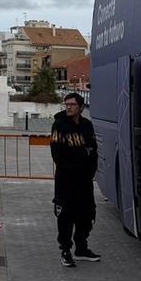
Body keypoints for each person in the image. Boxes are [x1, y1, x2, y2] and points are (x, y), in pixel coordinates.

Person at [51, 92, 101, 267]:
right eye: (66, 104)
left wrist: (90, 171)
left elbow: (93, 150)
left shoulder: (87, 125)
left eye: (72, 104)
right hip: (66, 181)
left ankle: (81, 247)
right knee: (66, 215)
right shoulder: (59, 125)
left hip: (85, 180)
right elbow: (57, 153)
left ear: (80, 107)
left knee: (86, 213)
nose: (68, 107)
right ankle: (65, 250)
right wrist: (72, 169)